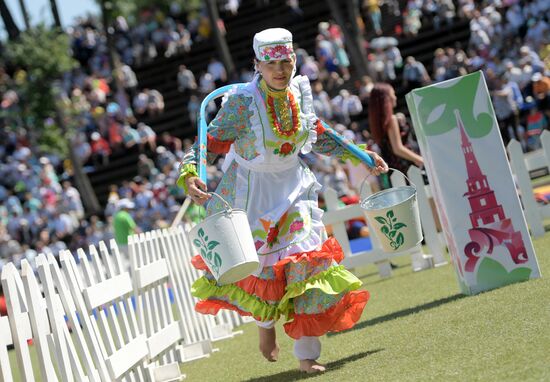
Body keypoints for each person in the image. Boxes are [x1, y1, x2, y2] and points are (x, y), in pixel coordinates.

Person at [179, 28, 388, 374]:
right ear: (258, 65)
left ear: (294, 60)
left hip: (294, 189)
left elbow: (319, 134)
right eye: (271, 62)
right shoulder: (242, 103)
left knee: (306, 265)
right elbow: (208, 145)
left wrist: (361, 156)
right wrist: (190, 173)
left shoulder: (300, 93)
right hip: (251, 193)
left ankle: (307, 355)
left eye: (286, 61)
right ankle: (265, 328)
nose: (280, 69)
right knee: (260, 268)